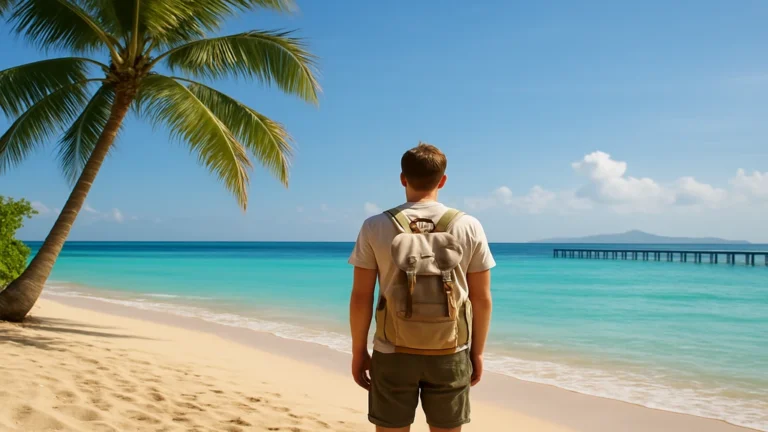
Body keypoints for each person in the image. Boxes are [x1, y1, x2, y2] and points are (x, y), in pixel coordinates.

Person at [348, 143, 495, 432]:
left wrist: (358, 352)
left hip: (391, 352)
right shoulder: (469, 226)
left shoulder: (375, 226)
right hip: (450, 349)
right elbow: (482, 299)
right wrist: (477, 352)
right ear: (442, 180)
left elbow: (361, 297)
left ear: (403, 178)